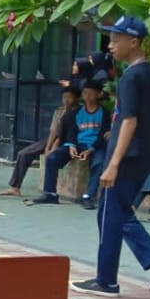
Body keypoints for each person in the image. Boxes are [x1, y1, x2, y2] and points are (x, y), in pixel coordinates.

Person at [71, 16, 150, 297]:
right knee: (110, 213)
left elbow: (129, 121)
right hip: (142, 155)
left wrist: (113, 164)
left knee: (114, 212)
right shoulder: (148, 72)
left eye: (116, 40)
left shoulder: (132, 76)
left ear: (135, 42)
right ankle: (107, 278)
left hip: (127, 156)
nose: (111, 46)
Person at [31, 81, 110, 209]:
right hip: (76, 145)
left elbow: (103, 135)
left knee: (99, 163)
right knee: (52, 159)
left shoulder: (104, 113)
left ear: (99, 94)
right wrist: (71, 145)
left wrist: (90, 150)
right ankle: (50, 194)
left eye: (91, 94)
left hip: (95, 147)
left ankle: (88, 196)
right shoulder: (77, 112)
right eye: (85, 94)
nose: (87, 97)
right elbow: (71, 131)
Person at [0, 85, 78, 196]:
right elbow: (53, 130)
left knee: (53, 156)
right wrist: (48, 147)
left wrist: (55, 146)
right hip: (55, 138)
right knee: (23, 153)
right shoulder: (59, 111)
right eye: (64, 97)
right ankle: (15, 187)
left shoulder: (79, 112)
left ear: (76, 98)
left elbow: (66, 133)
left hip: (70, 140)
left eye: (70, 97)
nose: (66, 100)